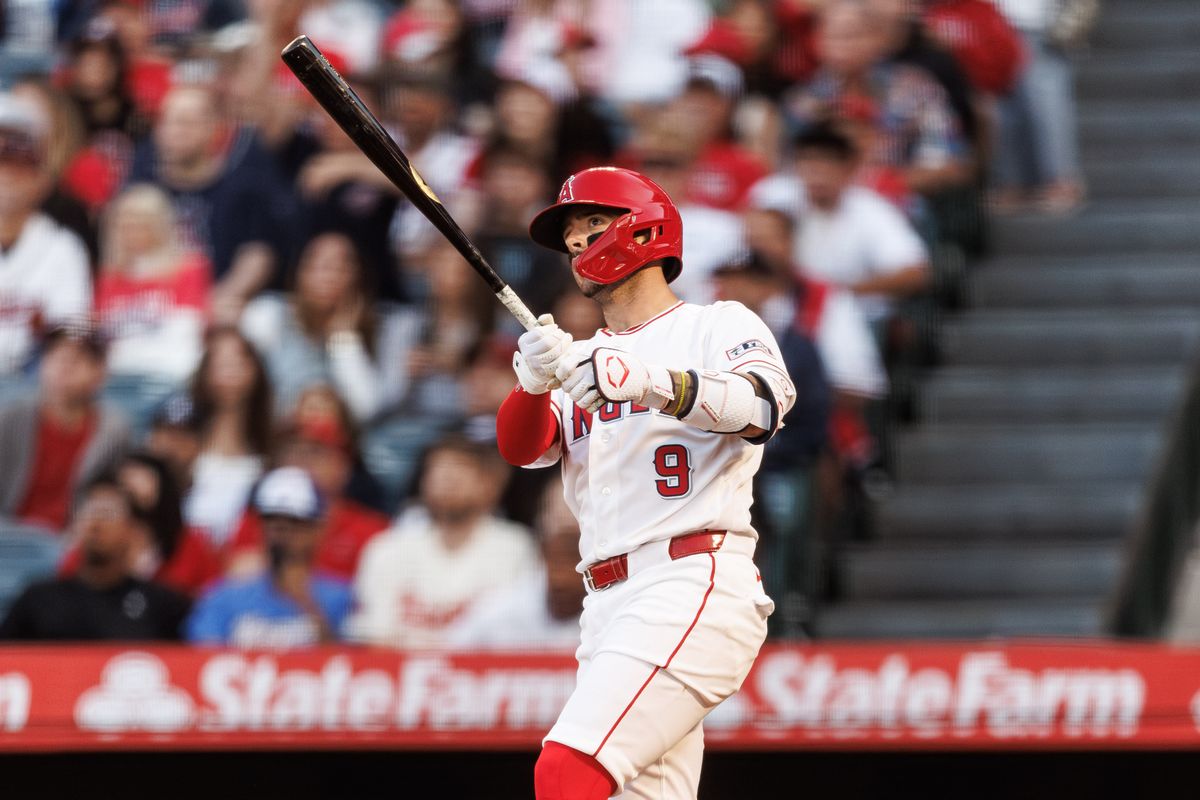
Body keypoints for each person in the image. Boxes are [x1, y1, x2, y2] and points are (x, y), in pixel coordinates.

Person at [496, 166, 793, 799]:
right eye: (570, 233)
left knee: (566, 771)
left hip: (692, 579)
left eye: (593, 224)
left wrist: (649, 381)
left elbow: (764, 408)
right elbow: (523, 450)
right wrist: (530, 385)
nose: (577, 241)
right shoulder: (579, 359)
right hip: (605, 602)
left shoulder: (716, 324)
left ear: (645, 231)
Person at [346, 434, 536, 649]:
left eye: (461, 469)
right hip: (402, 674)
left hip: (486, 675)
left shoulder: (514, 546)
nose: (447, 479)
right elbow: (372, 636)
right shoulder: (387, 548)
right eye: (438, 469)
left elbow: (520, 635)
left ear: (490, 485)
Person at [754, 124, 931, 327]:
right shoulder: (774, 197)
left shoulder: (871, 209)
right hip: (783, 312)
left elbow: (914, 273)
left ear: (848, 169)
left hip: (854, 315)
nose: (816, 171)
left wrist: (836, 292)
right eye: (807, 161)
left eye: (826, 162)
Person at [0, 474, 191, 641]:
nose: (96, 524)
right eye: (89, 512)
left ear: (133, 530)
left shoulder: (163, 605)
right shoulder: (38, 599)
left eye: (108, 513)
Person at [240, 231, 407, 422]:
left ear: (359, 277)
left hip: (339, 444)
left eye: (342, 267)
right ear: (299, 272)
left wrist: (343, 338)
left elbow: (366, 409)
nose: (330, 276)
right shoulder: (268, 314)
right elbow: (246, 396)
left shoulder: (380, 327)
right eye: (320, 266)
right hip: (275, 436)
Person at [187, 467, 353, 648]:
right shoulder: (224, 596)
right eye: (272, 521)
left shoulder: (340, 597)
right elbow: (203, 656)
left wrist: (305, 600)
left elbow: (350, 663)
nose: (281, 533)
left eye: (294, 523)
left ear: (317, 529)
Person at [224, 414, 389, 582]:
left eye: (314, 452)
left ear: (344, 466)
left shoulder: (370, 532)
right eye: (290, 451)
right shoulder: (255, 521)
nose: (300, 461)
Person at [0, 324, 130, 533]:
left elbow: (111, 499)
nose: (63, 368)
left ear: (100, 372)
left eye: (76, 360)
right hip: (7, 536)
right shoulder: (10, 419)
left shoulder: (113, 431)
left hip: (74, 544)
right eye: (55, 356)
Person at [0, 93, 92, 375]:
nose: (7, 181)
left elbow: (71, 335)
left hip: (31, 384)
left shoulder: (64, 247)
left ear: (41, 181)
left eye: (19, 172)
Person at [448, 478, 586, 652]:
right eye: (561, 517)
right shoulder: (507, 604)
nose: (562, 578)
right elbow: (451, 651)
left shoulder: (617, 605)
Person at [59, 451, 221, 597]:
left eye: (142, 476)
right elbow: (67, 586)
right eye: (125, 479)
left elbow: (212, 594)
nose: (132, 484)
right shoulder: (97, 541)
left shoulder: (189, 544)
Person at [95, 183, 211, 382]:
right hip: (118, 375)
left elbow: (187, 332)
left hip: (172, 372)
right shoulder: (110, 276)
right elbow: (101, 333)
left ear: (159, 226)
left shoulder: (189, 268)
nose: (129, 233)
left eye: (139, 225)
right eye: (124, 225)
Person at [183, 327, 272, 550]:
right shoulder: (182, 444)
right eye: (220, 360)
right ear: (204, 371)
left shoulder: (270, 454)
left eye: (240, 359)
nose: (230, 368)